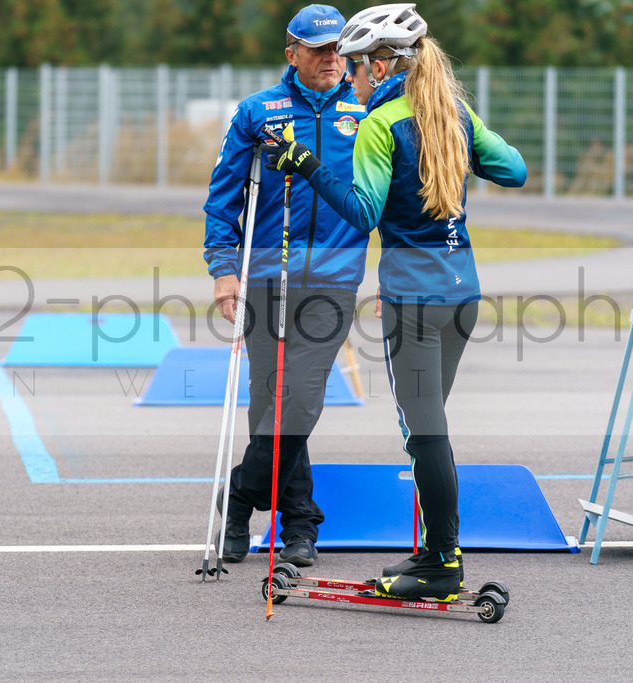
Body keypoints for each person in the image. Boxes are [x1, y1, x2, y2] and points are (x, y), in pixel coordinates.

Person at [265, 3, 527, 598]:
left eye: (356, 65)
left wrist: (307, 165)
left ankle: (443, 563)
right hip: (463, 293)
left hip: (414, 300)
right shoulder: (452, 110)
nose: (350, 75)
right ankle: (436, 551)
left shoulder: (380, 124)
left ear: (381, 66)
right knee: (429, 428)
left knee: (424, 431)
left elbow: (363, 211)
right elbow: (514, 171)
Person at [203, 4, 369, 567]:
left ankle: (239, 497)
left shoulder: (366, 108)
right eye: (318, 49)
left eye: (338, 48)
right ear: (292, 54)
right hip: (265, 278)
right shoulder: (258, 111)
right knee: (268, 401)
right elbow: (223, 197)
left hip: (335, 279)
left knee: (301, 396)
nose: (331, 58)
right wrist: (224, 270)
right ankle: (298, 525)